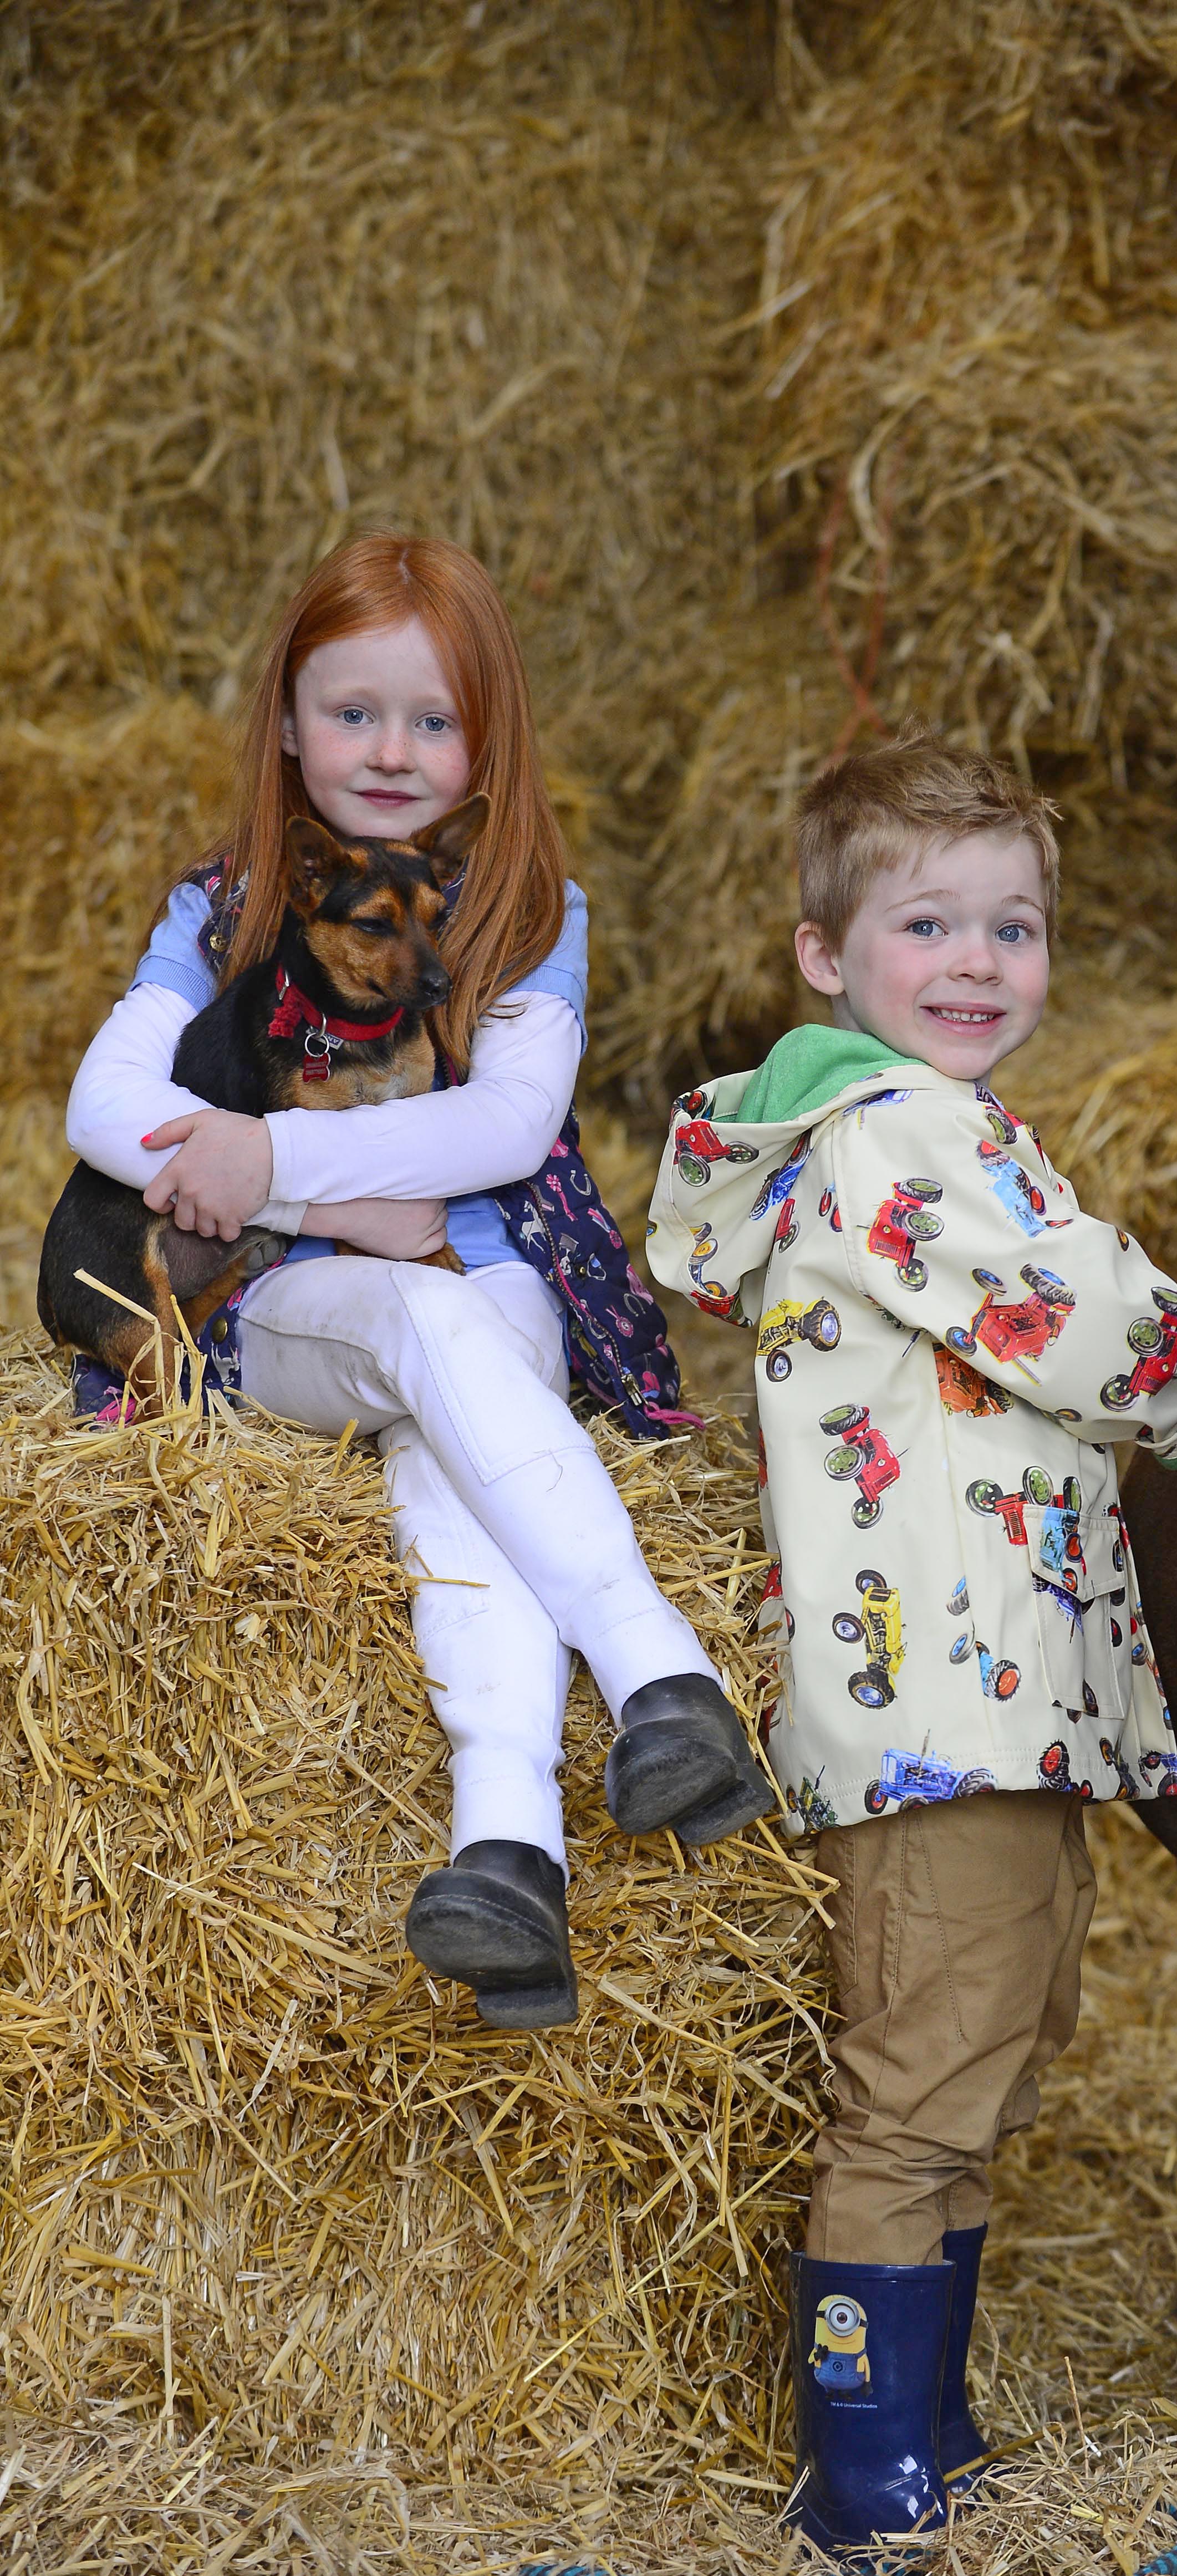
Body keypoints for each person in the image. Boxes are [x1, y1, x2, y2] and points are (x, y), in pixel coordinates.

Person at [645, 721, 1177, 2551]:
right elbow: (1090, 1331)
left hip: (984, 1700)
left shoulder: (917, 1135)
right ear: (823, 959)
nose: (976, 965)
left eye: (1011, 930)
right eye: (926, 926)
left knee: (984, 2052)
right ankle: (870, 2486)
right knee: (921, 2088)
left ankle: (929, 2422)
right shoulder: (904, 1138)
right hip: (947, 1707)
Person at [63, 533, 771, 2029]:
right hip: (283, 1307)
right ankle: (662, 1679)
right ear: (285, 723)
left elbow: (504, 1125)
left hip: (498, 1280)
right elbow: (98, 1106)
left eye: (435, 720)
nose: (392, 752)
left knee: (455, 1410)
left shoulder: (531, 916)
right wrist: (299, 1183)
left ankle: (508, 1849)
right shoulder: (222, 906)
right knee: (428, 1319)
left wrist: (270, 1157)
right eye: (354, 712)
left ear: (490, 741)